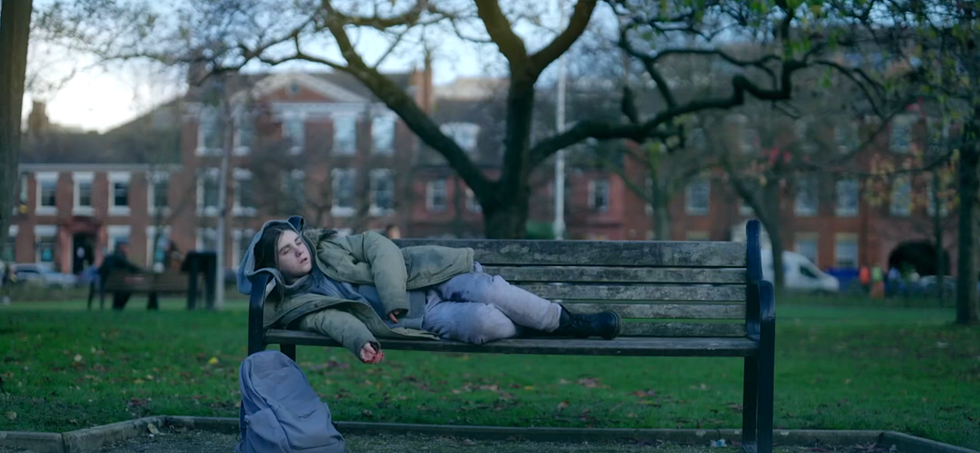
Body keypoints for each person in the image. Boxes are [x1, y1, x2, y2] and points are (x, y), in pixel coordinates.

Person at [238, 217, 622, 365]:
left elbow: (378, 245)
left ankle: (569, 322)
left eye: (296, 241)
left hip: (428, 278)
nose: (299, 250)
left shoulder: (330, 245)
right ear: (275, 265)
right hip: (422, 318)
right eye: (287, 251)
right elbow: (334, 322)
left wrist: (393, 298)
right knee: (483, 321)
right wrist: (360, 344)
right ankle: (534, 323)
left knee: (492, 291)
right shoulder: (302, 303)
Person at [99, 241, 144, 310]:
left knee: (121, 286)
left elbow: (100, 270)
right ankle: (119, 306)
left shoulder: (108, 258)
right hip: (118, 285)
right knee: (128, 288)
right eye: (126, 247)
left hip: (105, 285)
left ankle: (117, 306)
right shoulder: (121, 258)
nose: (127, 249)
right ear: (121, 247)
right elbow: (132, 268)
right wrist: (142, 270)